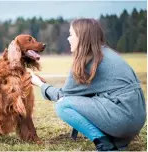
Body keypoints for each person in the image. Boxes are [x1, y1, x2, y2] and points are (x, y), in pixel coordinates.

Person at [14, 18, 146, 151]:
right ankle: (117, 140)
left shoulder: (87, 60)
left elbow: (63, 95)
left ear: (82, 37)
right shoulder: (108, 53)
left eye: (71, 35)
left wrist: (39, 83)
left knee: (63, 105)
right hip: (136, 118)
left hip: (122, 119)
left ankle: (103, 144)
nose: (68, 39)